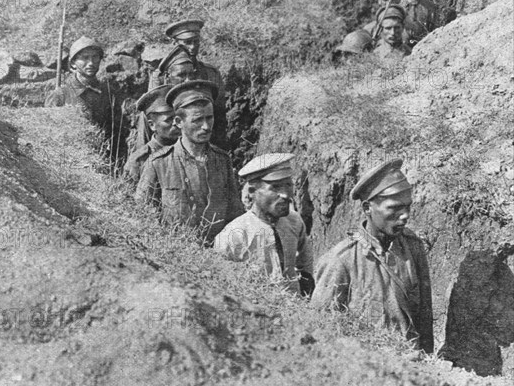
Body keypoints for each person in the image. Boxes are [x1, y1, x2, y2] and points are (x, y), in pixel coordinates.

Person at [311, 159, 434, 352]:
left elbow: (425, 318)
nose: (404, 216)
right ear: (368, 208)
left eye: (407, 207)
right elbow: (320, 331)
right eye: (394, 209)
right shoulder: (341, 260)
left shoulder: (413, 248)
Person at [135, 80, 242, 242]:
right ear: (179, 122)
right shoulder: (158, 164)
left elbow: (235, 214)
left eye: (209, 118)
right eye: (197, 120)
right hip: (177, 256)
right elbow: (142, 217)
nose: (206, 126)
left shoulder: (222, 161)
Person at [214, 154, 314, 296]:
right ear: (252, 191)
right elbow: (219, 285)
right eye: (276, 187)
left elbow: (305, 267)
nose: (286, 195)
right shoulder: (234, 234)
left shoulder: (294, 221)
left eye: (288, 185)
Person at [44, 36, 127, 161]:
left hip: (102, 160)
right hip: (68, 161)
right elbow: (47, 136)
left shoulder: (108, 94)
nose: (91, 63)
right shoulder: (60, 95)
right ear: (73, 63)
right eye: (85, 58)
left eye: (95, 57)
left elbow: (117, 134)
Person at [164, 19, 228, 149]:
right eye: (187, 42)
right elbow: (157, 119)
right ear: (174, 43)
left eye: (196, 41)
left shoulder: (211, 74)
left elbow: (220, 116)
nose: (193, 47)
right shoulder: (162, 76)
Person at [123, 84, 180, 185]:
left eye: (177, 118)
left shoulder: (190, 150)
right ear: (152, 125)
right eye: (168, 120)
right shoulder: (139, 160)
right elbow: (127, 198)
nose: (175, 124)